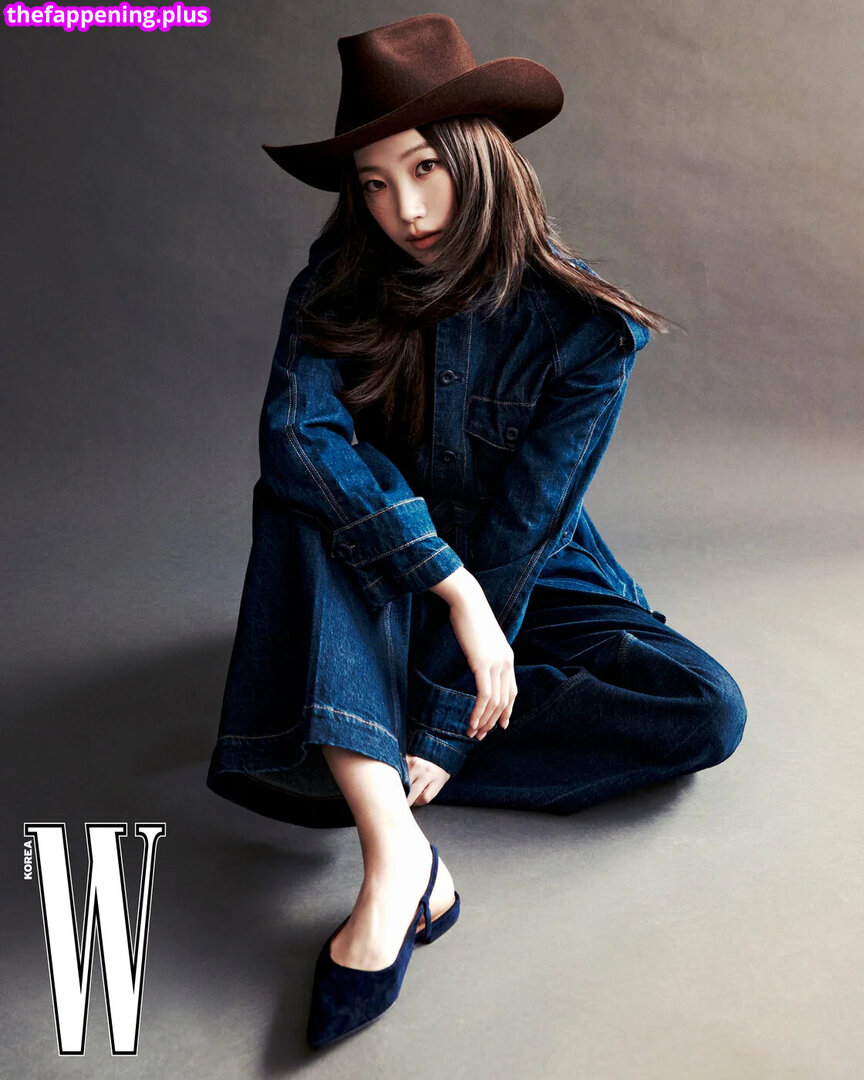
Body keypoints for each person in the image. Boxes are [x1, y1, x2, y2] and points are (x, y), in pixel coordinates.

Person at [205, 13, 747, 1049]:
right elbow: (297, 440)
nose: (402, 209)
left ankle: (351, 730)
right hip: (376, 565)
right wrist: (447, 587)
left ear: (481, 157)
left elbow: (524, 532)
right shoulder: (336, 284)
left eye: (424, 169)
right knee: (306, 496)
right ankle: (397, 858)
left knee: (704, 710)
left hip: (528, 567)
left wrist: (449, 710)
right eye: (372, 183)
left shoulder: (586, 330)